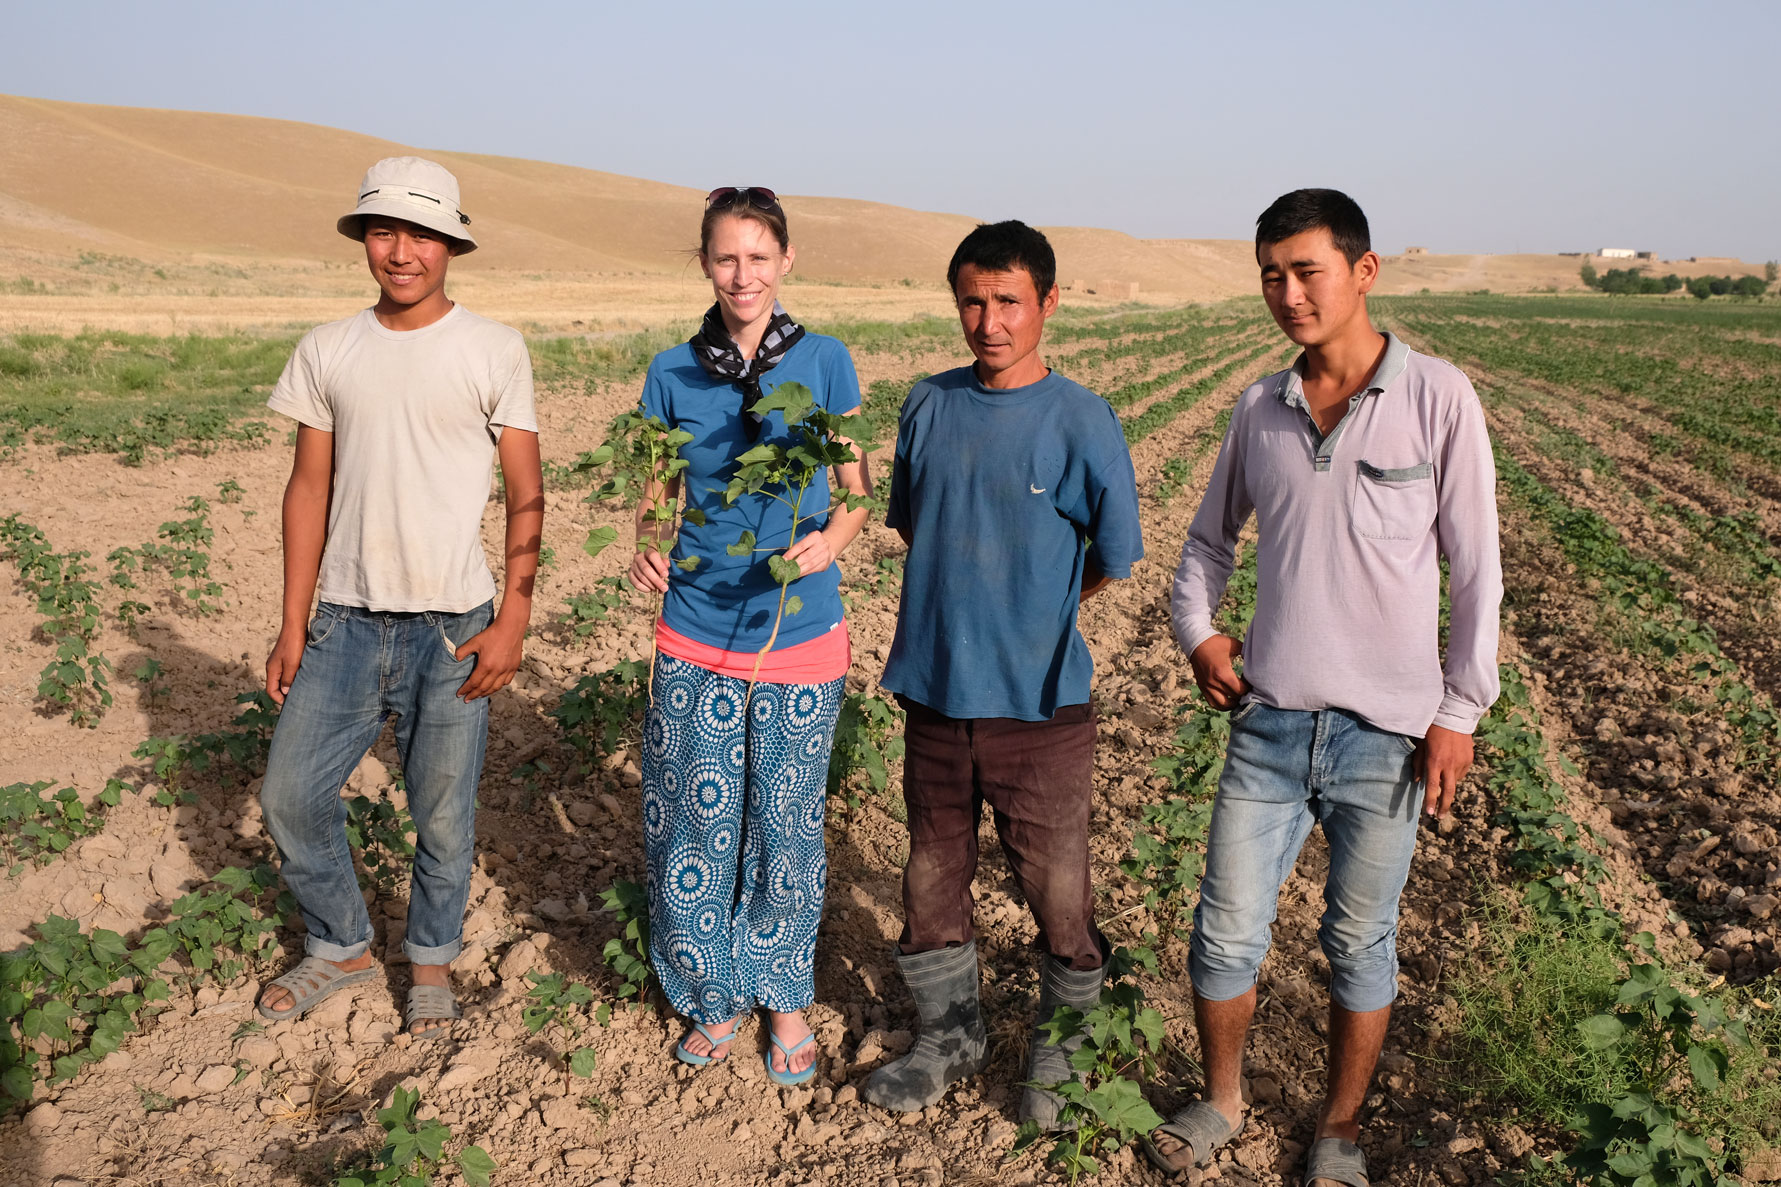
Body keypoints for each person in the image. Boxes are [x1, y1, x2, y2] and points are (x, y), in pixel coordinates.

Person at [1151, 189, 1502, 1185]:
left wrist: (1455, 711)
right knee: (1222, 925)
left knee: (1358, 938)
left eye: (1306, 271)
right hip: (1267, 722)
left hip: (1384, 733)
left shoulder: (1437, 396)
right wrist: (1198, 633)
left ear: (1362, 272)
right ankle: (1221, 1099)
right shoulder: (1257, 408)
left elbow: (1475, 569)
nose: (1288, 293)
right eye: (1271, 274)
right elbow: (1206, 544)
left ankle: (1336, 1130)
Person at [861, 221, 1144, 1126]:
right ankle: (951, 1035)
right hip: (936, 693)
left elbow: (1111, 554)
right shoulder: (928, 405)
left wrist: (1036, 612)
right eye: (973, 301)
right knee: (929, 877)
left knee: (1057, 888)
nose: (988, 321)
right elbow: (916, 522)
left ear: (1047, 304)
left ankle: (1062, 1049)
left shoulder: (1081, 418)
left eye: (1008, 301)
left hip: (1041, 704)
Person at [254, 156, 543, 1041]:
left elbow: (527, 491)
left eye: (420, 232)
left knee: (442, 815)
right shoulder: (328, 347)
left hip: (453, 629)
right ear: (363, 240)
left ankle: (428, 960)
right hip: (342, 621)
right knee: (289, 797)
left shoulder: (493, 348)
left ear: (450, 244)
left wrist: (514, 617)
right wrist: (292, 622)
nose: (401, 249)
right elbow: (308, 488)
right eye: (384, 230)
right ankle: (341, 941)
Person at [629, 186, 869, 1086]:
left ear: (786, 261)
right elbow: (654, 492)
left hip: (799, 630)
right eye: (726, 258)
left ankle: (783, 995)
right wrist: (645, 548)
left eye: (758, 257)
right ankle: (709, 994)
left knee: (785, 823)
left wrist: (828, 544)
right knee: (694, 820)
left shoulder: (827, 361)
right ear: (704, 264)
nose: (743, 274)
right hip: (695, 629)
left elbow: (854, 484)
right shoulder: (671, 371)